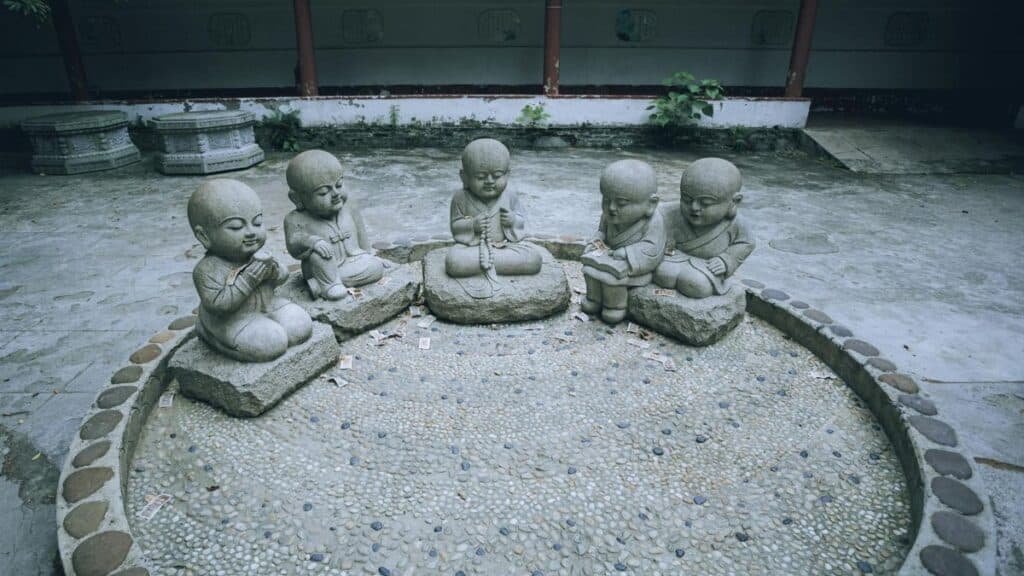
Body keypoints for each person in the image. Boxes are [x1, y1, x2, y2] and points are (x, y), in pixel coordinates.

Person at [188, 179, 312, 362]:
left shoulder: (258, 254)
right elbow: (218, 305)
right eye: (236, 227)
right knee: (272, 342)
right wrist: (249, 279)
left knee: (301, 326)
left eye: (257, 222)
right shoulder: (206, 269)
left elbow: (282, 276)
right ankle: (211, 335)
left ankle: (266, 327)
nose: (251, 232)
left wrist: (275, 272)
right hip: (232, 320)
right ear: (204, 236)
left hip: (269, 305)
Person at [284, 150, 385, 301]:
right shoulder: (295, 219)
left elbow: (362, 238)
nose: (336, 193)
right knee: (318, 253)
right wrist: (312, 242)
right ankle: (329, 284)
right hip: (321, 267)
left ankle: (320, 286)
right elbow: (294, 244)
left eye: (339, 185)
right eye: (324, 192)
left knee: (376, 267)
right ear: (297, 198)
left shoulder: (350, 208)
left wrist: (368, 255)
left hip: (353, 262)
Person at [653, 158, 755, 298]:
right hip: (676, 258)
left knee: (696, 285)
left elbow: (746, 243)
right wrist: (662, 239)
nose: (694, 207)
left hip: (708, 266)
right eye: (687, 200)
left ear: (734, 201)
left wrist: (726, 260)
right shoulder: (673, 212)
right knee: (663, 274)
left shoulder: (736, 224)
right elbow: (655, 214)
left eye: (705, 203)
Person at [581, 159, 666, 324]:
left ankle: (615, 307)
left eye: (621, 203)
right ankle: (594, 299)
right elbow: (601, 232)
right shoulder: (608, 216)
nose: (611, 208)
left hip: (632, 267)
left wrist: (627, 253)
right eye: (606, 200)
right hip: (608, 259)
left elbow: (653, 248)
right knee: (589, 269)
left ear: (651, 204)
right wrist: (597, 239)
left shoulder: (654, 221)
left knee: (613, 279)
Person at [444, 138, 542, 280]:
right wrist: (472, 225)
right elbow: (455, 225)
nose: (489, 181)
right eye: (480, 176)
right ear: (464, 177)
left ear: (507, 175)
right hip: (473, 249)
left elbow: (521, 221)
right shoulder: (461, 197)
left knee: (534, 258)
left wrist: (513, 220)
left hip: (505, 247)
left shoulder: (510, 196)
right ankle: (496, 264)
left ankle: (486, 264)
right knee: (454, 261)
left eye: (496, 176)